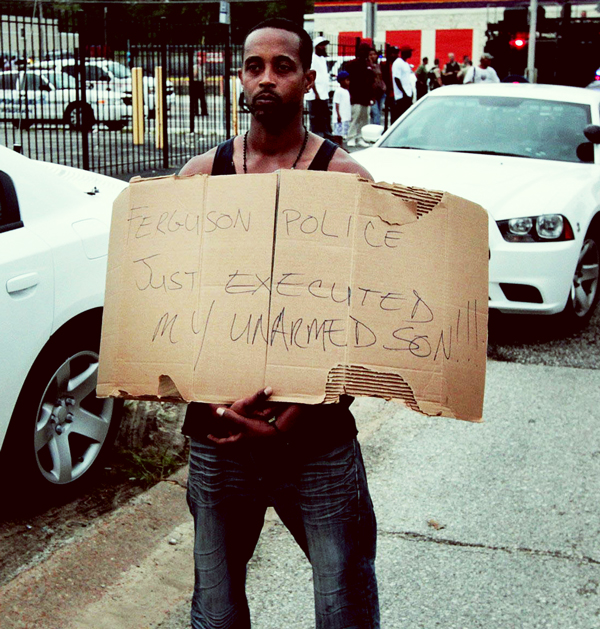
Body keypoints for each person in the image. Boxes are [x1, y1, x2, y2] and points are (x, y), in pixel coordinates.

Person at [179, 18, 379, 629]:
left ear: (307, 78)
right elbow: (175, 311)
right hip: (219, 436)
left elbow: (365, 322)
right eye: (253, 66)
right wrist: (215, 408)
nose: (267, 78)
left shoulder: (347, 183)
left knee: (343, 605)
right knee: (214, 610)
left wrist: (294, 420)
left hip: (316, 443)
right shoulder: (197, 179)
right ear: (239, 77)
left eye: (283, 66)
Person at [345, 41, 374, 146]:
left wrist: (372, 96)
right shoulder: (352, 64)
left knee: (364, 118)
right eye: (363, 50)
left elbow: (371, 81)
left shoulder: (368, 64)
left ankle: (360, 137)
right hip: (356, 95)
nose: (365, 53)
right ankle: (351, 137)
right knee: (355, 117)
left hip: (365, 96)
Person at [305, 35, 331, 137]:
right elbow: (312, 76)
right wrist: (315, 92)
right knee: (315, 116)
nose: (323, 47)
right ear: (316, 46)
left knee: (324, 116)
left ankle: (326, 134)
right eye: (321, 45)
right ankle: (316, 135)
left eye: (324, 45)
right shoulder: (313, 59)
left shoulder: (322, 59)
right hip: (315, 94)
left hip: (323, 93)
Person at [391, 45, 414, 123]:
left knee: (406, 119)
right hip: (401, 96)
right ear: (405, 53)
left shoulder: (406, 64)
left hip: (407, 95)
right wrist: (403, 92)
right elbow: (396, 79)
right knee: (400, 118)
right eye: (410, 52)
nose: (411, 53)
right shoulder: (398, 63)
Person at [331, 69, 351, 145]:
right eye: (347, 80)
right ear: (341, 81)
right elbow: (337, 104)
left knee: (342, 133)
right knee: (337, 132)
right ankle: (338, 145)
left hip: (345, 116)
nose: (348, 82)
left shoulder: (346, 91)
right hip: (340, 117)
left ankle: (341, 145)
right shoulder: (338, 91)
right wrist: (338, 115)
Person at [368, 47, 386, 125]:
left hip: (381, 92)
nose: (373, 56)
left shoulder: (379, 65)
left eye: (374, 54)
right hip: (372, 94)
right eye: (371, 54)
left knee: (378, 112)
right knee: (376, 113)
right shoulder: (368, 66)